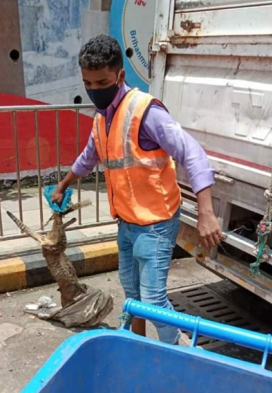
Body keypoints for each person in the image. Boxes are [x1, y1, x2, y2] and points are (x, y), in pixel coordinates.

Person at [52, 35, 223, 344]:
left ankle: (174, 353)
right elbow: (88, 158)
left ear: (120, 76)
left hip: (156, 223)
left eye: (101, 82)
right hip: (127, 224)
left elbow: (192, 153)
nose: (94, 91)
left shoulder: (146, 111)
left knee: (154, 301)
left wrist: (206, 212)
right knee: (132, 295)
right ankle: (137, 347)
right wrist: (63, 185)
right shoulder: (101, 118)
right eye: (87, 84)